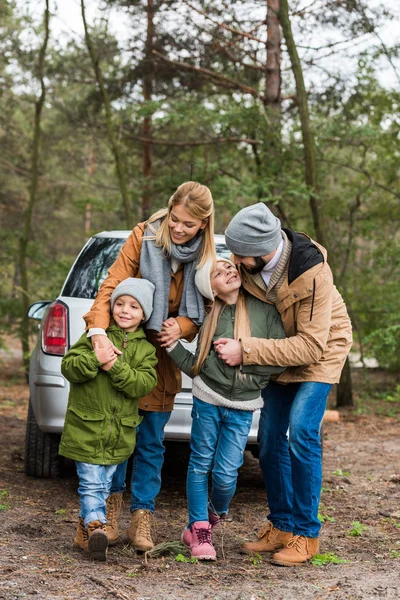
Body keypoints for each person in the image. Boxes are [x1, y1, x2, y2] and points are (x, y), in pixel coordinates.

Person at [215, 202, 353, 566]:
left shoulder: (312, 272)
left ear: (263, 251)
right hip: (277, 348)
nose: (236, 260)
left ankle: (306, 535)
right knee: (271, 436)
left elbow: (310, 344)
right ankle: (281, 525)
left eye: (241, 255)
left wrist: (246, 350)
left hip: (320, 348)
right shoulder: (247, 262)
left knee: (301, 431)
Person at [82, 181, 215, 551]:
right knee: (116, 437)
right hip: (125, 350)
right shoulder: (144, 237)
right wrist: (98, 332)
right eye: (175, 219)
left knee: (151, 443)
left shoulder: (207, 258)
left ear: (203, 225)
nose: (178, 228)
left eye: (188, 224)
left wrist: (183, 325)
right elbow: (110, 287)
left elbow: (210, 307)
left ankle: (142, 519)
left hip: (161, 360)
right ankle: (105, 517)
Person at [165, 258, 286, 560]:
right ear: (211, 288)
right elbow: (195, 364)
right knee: (200, 463)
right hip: (207, 399)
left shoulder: (264, 311)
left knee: (225, 474)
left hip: (243, 406)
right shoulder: (207, 314)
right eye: (219, 273)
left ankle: (213, 513)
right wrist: (171, 345)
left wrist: (250, 364)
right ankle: (200, 528)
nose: (230, 271)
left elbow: (280, 358)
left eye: (230, 267)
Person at [59, 278, 158, 561]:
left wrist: (114, 365)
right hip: (87, 427)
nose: (125, 310)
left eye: (134, 306)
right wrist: (95, 358)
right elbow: (70, 367)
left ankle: (84, 533)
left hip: (119, 433)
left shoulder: (145, 351)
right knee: (91, 484)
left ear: (144, 314)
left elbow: (142, 384)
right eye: (120, 304)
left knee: (103, 486)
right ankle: (96, 527)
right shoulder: (94, 336)